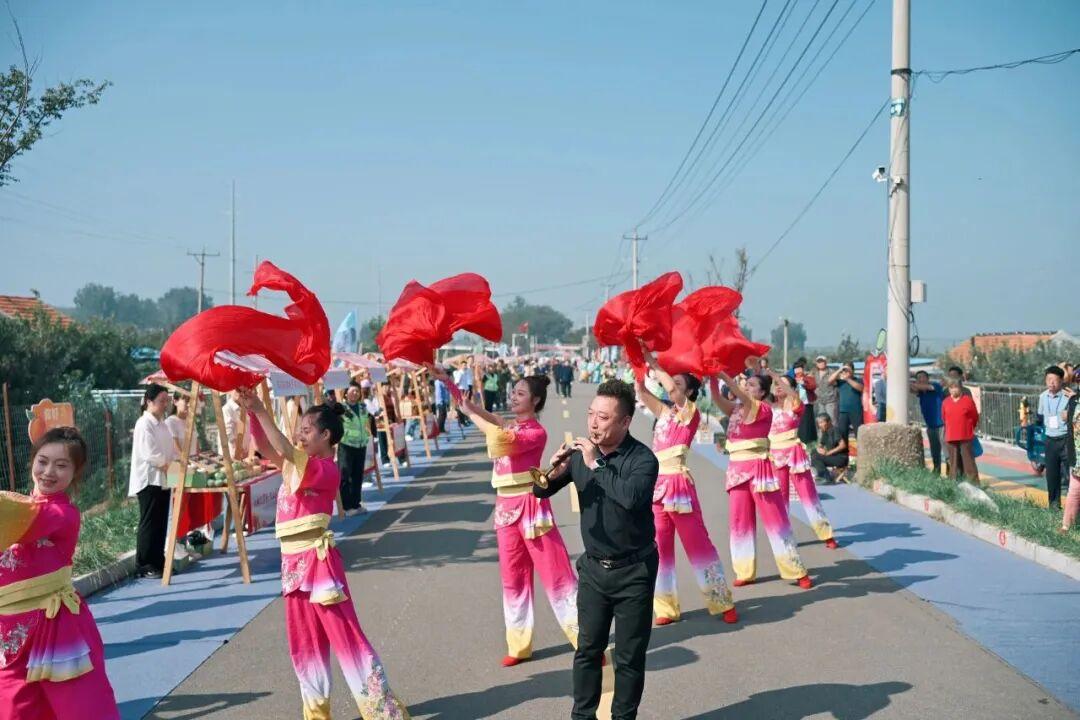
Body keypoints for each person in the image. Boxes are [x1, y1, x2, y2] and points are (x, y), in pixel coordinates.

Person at [239, 390, 410, 719]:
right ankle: (316, 714)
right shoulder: (294, 468)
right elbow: (264, 446)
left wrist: (261, 408)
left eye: (306, 430)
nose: (300, 435)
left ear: (326, 435)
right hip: (292, 568)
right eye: (300, 430)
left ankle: (384, 713)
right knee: (304, 647)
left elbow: (283, 448)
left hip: (319, 566)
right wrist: (250, 412)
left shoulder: (325, 470)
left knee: (348, 640)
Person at [428, 364, 579, 667]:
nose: (513, 396)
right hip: (505, 510)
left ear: (535, 400)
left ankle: (587, 642)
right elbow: (478, 412)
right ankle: (519, 645)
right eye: (513, 392)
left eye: (520, 393)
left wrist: (472, 413)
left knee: (557, 575)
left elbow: (498, 437)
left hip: (532, 509)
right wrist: (449, 384)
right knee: (513, 579)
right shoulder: (511, 425)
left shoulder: (535, 432)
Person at [533, 380, 658, 720]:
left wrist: (596, 465)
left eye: (603, 418)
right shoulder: (580, 455)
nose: (593, 424)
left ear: (625, 422)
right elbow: (540, 491)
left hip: (634, 571)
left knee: (630, 657)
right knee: (588, 650)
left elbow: (630, 498)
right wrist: (552, 470)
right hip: (593, 571)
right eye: (591, 415)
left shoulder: (642, 460)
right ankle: (582, 716)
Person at [0, 427, 121, 719]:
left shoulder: (61, 514)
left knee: (79, 706)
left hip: (55, 625)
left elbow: (16, 520)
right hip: (9, 631)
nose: (48, 472)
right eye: (42, 461)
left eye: (61, 465)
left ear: (75, 473)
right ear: (32, 461)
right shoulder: (20, 507)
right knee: (14, 708)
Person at [635, 350, 737, 626]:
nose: (673, 387)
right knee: (659, 549)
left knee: (698, 545)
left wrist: (655, 363)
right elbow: (641, 392)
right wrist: (638, 363)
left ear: (690, 392)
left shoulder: (690, 413)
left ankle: (721, 601)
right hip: (657, 486)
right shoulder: (663, 412)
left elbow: (672, 390)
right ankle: (666, 607)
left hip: (679, 486)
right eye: (673, 382)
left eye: (679, 383)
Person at [711, 371, 812, 589]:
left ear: (763, 392)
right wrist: (710, 377)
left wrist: (723, 375)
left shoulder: (763, 409)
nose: (746, 387)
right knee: (739, 522)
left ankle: (796, 570)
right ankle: (744, 571)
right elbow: (717, 397)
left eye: (752, 385)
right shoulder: (736, 409)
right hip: (737, 471)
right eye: (746, 384)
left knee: (776, 520)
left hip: (759, 470)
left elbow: (743, 396)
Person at [767, 372, 838, 549]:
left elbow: (793, 395)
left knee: (809, 496)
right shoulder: (768, 407)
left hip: (794, 454)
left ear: (791, 388)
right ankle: (784, 537)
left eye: (783, 384)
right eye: (776, 384)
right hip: (775, 456)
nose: (778, 386)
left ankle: (826, 534)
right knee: (780, 499)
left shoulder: (796, 405)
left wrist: (775, 376)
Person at [128, 383, 177, 579]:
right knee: (149, 522)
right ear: (149, 402)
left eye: (167, 401)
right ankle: (144, 564)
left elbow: (170, 451)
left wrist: (175, 469)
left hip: (164, 479)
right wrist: (171, 468)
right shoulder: (144, 423)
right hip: (149, 479)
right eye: (161, 401)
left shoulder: (162, 424)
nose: (165, 404)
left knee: (161, 522)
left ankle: (158, 560)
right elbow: (150, 454)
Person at [1040, 366, 1072, 509]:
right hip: (1050, 440)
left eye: (1055, 380)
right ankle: (1054, 506)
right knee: (1052, 475)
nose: (1051, 383)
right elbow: (1040, 416)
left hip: (1065, 439)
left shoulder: (1068, 396)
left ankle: (1074, 509)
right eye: (1049, 379)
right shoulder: (1042, 397)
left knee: (1071, 475)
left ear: (1061, 381)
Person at [339, 383, 371, 513]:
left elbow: (366, 422)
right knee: (345, 476)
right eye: (352, 391)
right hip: (346, 445)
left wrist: (368, 435)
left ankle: (356, 504)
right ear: (346, 393)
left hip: (361, 445)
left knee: (358, 476)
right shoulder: (341, 408)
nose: (355, 393)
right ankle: (346, 506)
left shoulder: (363, 407)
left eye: (357, 391)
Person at [941, 377, 980, 481]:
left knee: (968, 461)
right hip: (951, 435)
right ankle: (954, 482)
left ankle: (973, 483)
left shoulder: (968, 400)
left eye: (956, 387)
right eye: (951, 388)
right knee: (953, 462)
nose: (953, 390)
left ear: (960, 388)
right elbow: (944, 418)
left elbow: (975, 417)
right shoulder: (945, 402)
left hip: (965, 435)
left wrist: (970, 427)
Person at [910, 371, 946, 474]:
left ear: (928, 378)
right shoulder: (921, 392)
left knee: (947, 451)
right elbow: (910, 389)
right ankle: (936, 472)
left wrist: (908, 380)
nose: (921, 379)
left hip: (942, 425)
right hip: (930, 426)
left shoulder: (935, 386)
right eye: (918, 378)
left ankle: (952, 474)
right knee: (934, 451)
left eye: (923, 377)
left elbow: (921, 387)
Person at [829, 362, 865, 444]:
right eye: (844, 370)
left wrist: (848, 379)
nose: (846, 372)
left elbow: (861, 388)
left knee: (859, 434)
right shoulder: (840, 381)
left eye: (848, 370)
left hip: (856, 411)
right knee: (843, 434)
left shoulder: (858, 380)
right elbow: (830, 380)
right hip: (843, 412)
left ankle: (861, 451)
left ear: (853, 371)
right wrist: (840, 369)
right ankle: (844, 451)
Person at [811, 413, 849, 482]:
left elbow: (843, 445)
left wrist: (828, 453)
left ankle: (825, 477)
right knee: (813, 452)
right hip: (832, 456)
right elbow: (821, 444)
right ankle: (822, 475)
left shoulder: (835, 430)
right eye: (819, 423)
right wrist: (819, 449)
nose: (820, 425)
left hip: (840, 458)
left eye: (822, 422)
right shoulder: (825, 431)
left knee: (816, 457)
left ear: (829, 422)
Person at [810, 355, 837, 424]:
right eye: (819, 362)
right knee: (820, 421)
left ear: (826, 362)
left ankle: (833, 431)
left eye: (822, 362)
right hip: (819, 401)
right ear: (816, 364)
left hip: (830, 401)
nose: (820, 363)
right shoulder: (814, 372)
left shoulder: (832, 372)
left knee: (832, 420)